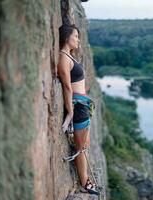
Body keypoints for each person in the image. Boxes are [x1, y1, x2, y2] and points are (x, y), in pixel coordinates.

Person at [57, 23, 99, 195]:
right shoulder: (63, 58)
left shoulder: (69, 56)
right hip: (78, 108)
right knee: (80, 148)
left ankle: (85, 178)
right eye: (75, 36)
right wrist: (70, 113)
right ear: (67, 37)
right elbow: (67, 86)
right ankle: (85, 182)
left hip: (83, 106)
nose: (78, 40)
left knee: (84, 145)